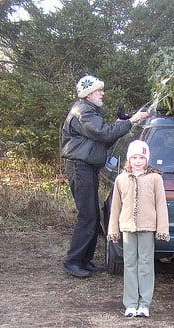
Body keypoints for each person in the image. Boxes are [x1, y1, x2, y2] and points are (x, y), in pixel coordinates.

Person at [61, 75, 149, 278]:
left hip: (87, 167)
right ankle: (73, 261)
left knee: (93, 214)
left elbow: (101, 138)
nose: (102, 93)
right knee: (88, 215)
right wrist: (131, 121)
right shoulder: (83, 111)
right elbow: (103, 133)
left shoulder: (89, 111)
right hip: (79, 167)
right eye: (99, 90)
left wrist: (121, 123)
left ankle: (85, 260)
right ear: (89, 94)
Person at [107, 140, 169, 318]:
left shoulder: (155, 179)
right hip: (127, 228)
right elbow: (115, 207)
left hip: (147, 227)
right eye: (134, 157)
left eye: (141, 157)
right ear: (129, 159)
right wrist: (114, 230)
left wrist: (162, 229)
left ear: (147, 159)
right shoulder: (121, 179)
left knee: (146, 264)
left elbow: (161, 205)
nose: (137, 161)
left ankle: (144, 303)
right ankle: (131, 303)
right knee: (130, 264)